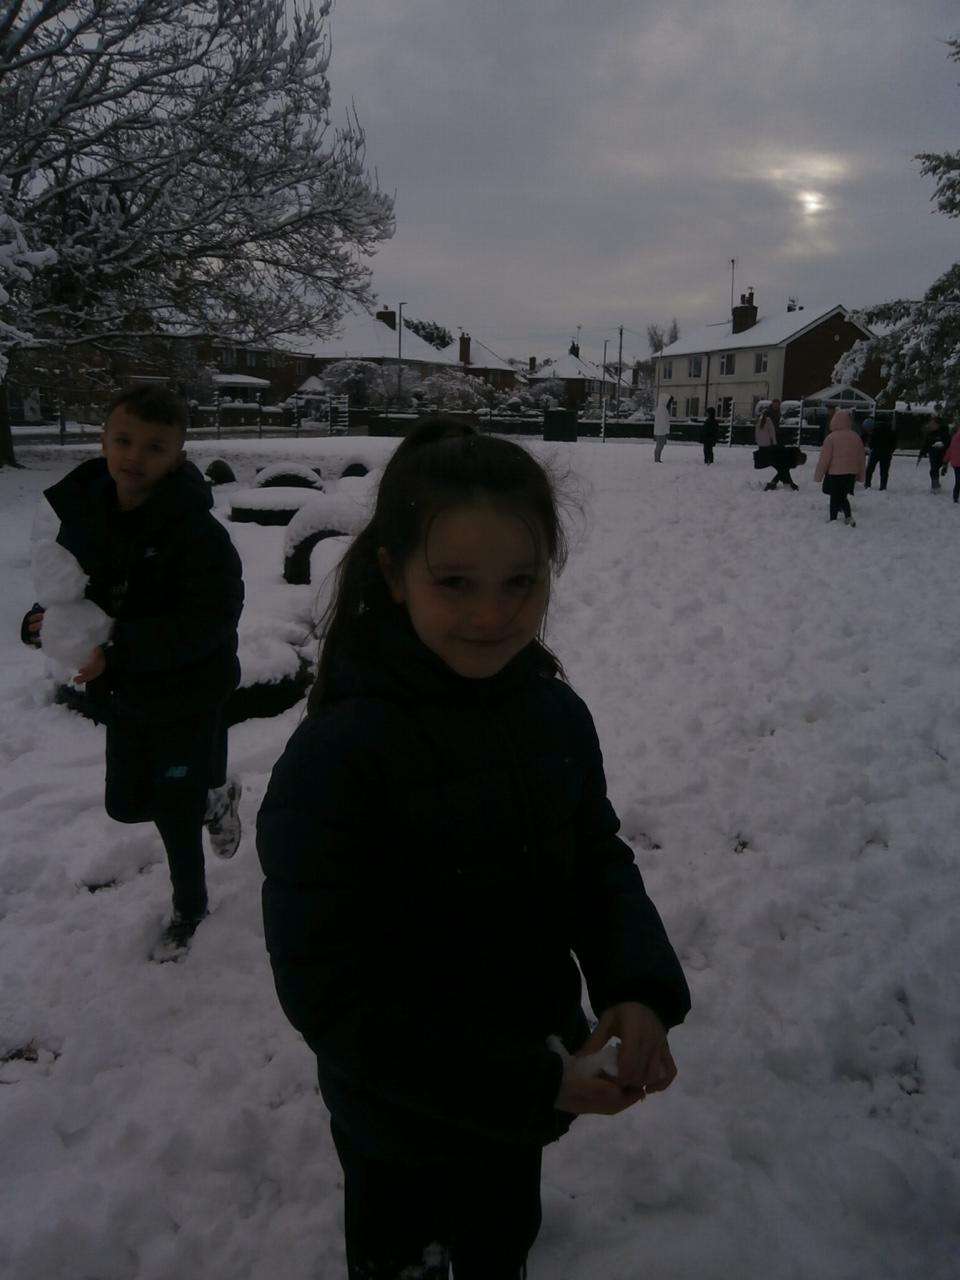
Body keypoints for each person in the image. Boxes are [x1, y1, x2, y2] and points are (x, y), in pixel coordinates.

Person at [257, 418, 691, 1280]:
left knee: (499, 1244)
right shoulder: (340, 756)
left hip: (527, 1086)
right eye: (455, 583)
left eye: (520, 582)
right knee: (401, 1258)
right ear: (394, 574)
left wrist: (637, 988)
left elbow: (594, 862)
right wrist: (525, 1085)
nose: (492, 615)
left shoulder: (554, 716)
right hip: (397, 1116)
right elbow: (329, 990)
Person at [20, 386, 244, 961]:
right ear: (103, 440)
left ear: (178, 456)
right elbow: (72, 591)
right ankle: (212, 798)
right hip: (126, 692)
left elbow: (209, 619)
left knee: (172, 809)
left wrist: (118, 647)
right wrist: (44, 622)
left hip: (188, 690)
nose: (134, 456)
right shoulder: (85, 516)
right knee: (125, 803)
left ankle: (189, 908)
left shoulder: (198, 535)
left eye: (154, 447)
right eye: (123, 440)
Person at [814, 408, 865, 525]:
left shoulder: (831, 438)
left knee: (835, 496)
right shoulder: (856, 437)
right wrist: (861, 475)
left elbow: (824, 459)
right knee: (842, 495)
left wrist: (818, 476)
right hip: (851, 472)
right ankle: (848, 516)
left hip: (835, 472)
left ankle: (834, 519)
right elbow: (861, 458)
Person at [863, 415, 897, 490]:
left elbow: (871, 443)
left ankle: (867, 484)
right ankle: (883, 486)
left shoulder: (875, 430)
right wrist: (891, 451)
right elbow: (894, 443)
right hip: (887, 453)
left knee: (870, 469)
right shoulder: (891, 431)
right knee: (884, 471)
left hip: (875, 452)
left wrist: (872, 448)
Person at [918, 415, 950, 491]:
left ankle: (936, 485)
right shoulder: (930, 433)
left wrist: (942, 445)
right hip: (933, 455)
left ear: (938, 425)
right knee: (933, 470)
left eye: (933, 424)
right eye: (931, 424)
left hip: (942, 455)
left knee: (934, 470)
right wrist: (922, 453)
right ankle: (935, 485)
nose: (931, 425)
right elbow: (926, 444)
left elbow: (948, 444)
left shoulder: (944, 433)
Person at [941, 421, 960, 503]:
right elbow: (950, 450)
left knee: (958, 481)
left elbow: (949, 450)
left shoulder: (954, 438)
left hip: (956, 464)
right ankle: (955, 497)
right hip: (957, 463)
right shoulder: (955, 438)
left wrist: (945, 461)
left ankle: (955, 497)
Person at [653, 394, 671, 461]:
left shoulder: (660, 408)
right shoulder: (663, 409)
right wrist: (667, 430)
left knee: (660, 445)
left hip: (660, 430)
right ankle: (657, 459)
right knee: (660, 445)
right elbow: (664, 421)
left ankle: (657, 458)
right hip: (661, 431)